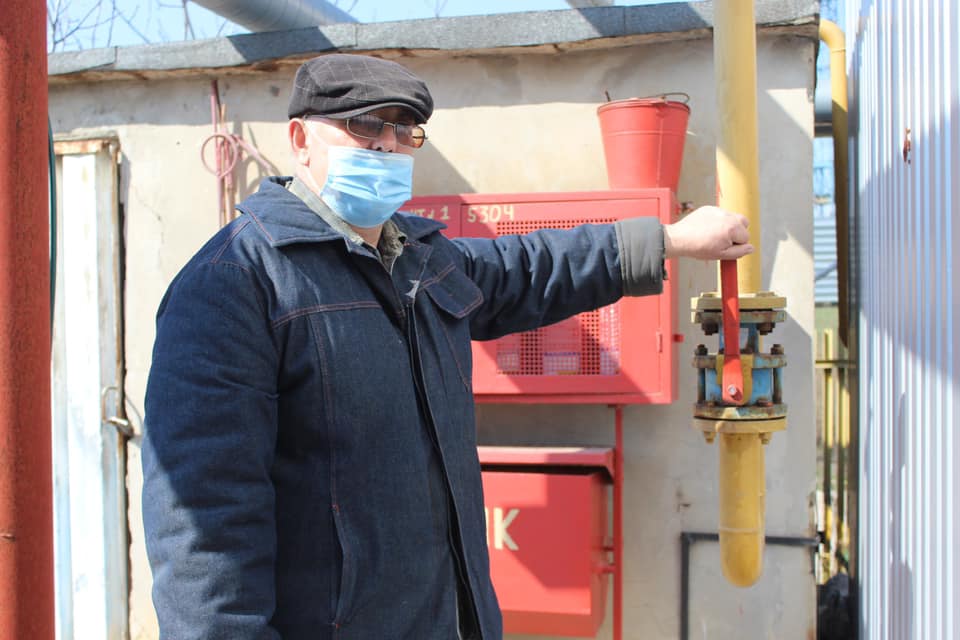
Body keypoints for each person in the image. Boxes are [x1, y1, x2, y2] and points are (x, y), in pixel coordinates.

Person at [142, 53, 752, 640]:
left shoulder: (421, 259)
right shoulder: (234, 284)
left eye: (405, 131)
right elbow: (204, 530)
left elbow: (531, 267)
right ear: (301, 140)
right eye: (365, 126)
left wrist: (668, 240)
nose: (387, 146)